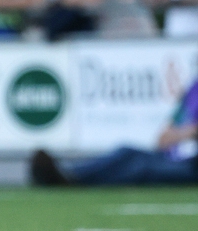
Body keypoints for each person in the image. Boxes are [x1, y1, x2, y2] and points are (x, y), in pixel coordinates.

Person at [31, 77, 198, 186]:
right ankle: (70, 174)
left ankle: (74, 181)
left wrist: (183, 133)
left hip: (192, 167)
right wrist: (189, 132)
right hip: (169, 157)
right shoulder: (193, 90)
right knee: (125, 152)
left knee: (141, 167)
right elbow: (162, 140)